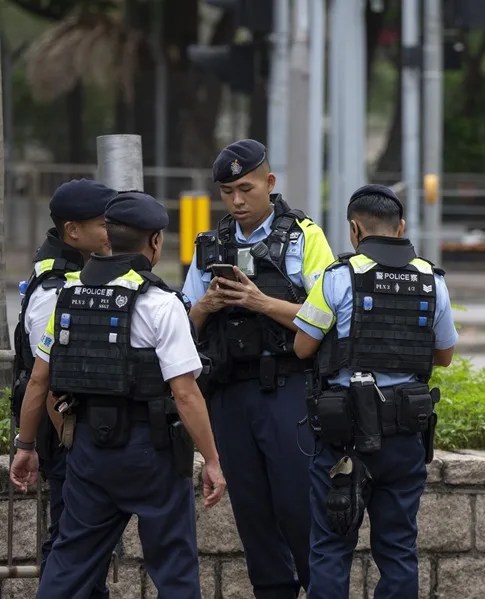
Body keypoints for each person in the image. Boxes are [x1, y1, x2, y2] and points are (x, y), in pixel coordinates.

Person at [9, 191, 226, 597]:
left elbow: (40, 381)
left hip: (89, 452)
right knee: (175, 568)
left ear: (108, 236)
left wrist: (24, 445)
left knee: (69, 564)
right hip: (153, 453)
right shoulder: (160, 303)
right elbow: (185, 392)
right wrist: (212, 460)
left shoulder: (66, 297)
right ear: (155, 242)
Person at [183, 139, 335, 597]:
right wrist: (206, 306)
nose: (236, 200)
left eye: (245, 188)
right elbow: (182, 322)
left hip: (287, 391)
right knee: (251, 512)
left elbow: (328, 315)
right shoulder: (211, 243)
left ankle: (320, 587)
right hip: (230, 396)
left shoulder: (305, 236)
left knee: (297, 506)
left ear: (269, 183)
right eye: (227, 191)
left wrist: (261, 302)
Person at [293, 184, 458, 598]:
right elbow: (444, 356)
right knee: (399, 549)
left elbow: (303, 347)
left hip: (342, 440)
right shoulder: (431, 281)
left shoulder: (337, 278)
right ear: (401, 227)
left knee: (331, 546)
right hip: (404, 438)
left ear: (354, 229)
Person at [10, 179, 115, 598]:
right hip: (68, 442)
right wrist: (74, 447)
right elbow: (50, 382)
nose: (114, 231)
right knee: (70, 547)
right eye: (105, 224)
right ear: (73, 231)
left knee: (84, 552)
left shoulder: (76, 272)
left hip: (75, 441)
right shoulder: (55, 289)